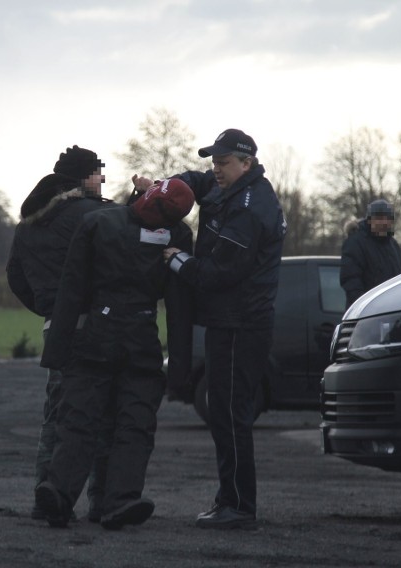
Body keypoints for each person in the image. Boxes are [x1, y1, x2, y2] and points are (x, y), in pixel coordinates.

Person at [134, 128, 286, 530]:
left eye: (223, 163)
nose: (215, 170)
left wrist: (178, 260)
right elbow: (196, 181)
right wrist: (167, 188)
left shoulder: (250, 209)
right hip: (227, 322)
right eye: (213, 162)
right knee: (223, 412)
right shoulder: (229, 188)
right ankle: (230, 497)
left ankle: (238, 505)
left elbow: (222, 273)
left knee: (231, 414)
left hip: (241, 325)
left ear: (247, 163)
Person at [35, 178, 195, 530]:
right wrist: (181, 369)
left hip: (96, 332)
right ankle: (118, 500)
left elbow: (72, 288)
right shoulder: (177, 236)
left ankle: (59, 493)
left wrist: (57, 350)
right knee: (134, 423)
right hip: (141, 336)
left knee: (78, 418)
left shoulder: (98, 223)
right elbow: (180, 309)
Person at [6, 145, 115, 522]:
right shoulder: (95, 214)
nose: (103, 179)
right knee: (102, 415)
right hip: (99, 328)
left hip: (58, 331)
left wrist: (49, 307)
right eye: (99, 172)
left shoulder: (29, 225)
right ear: (85, 177)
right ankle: (103, 502)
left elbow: (16, 278)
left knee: (56, 416)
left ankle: (45, 494)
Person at [339, 198, 401, 309]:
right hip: (366, 313)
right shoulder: (356, 242)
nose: (383, 223)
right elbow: (351, 280)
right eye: (378, 218)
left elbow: (399, 278)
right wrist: (364, 307)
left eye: (387, 219)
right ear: (369, 220)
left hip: (392, 310)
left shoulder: (393, 245)